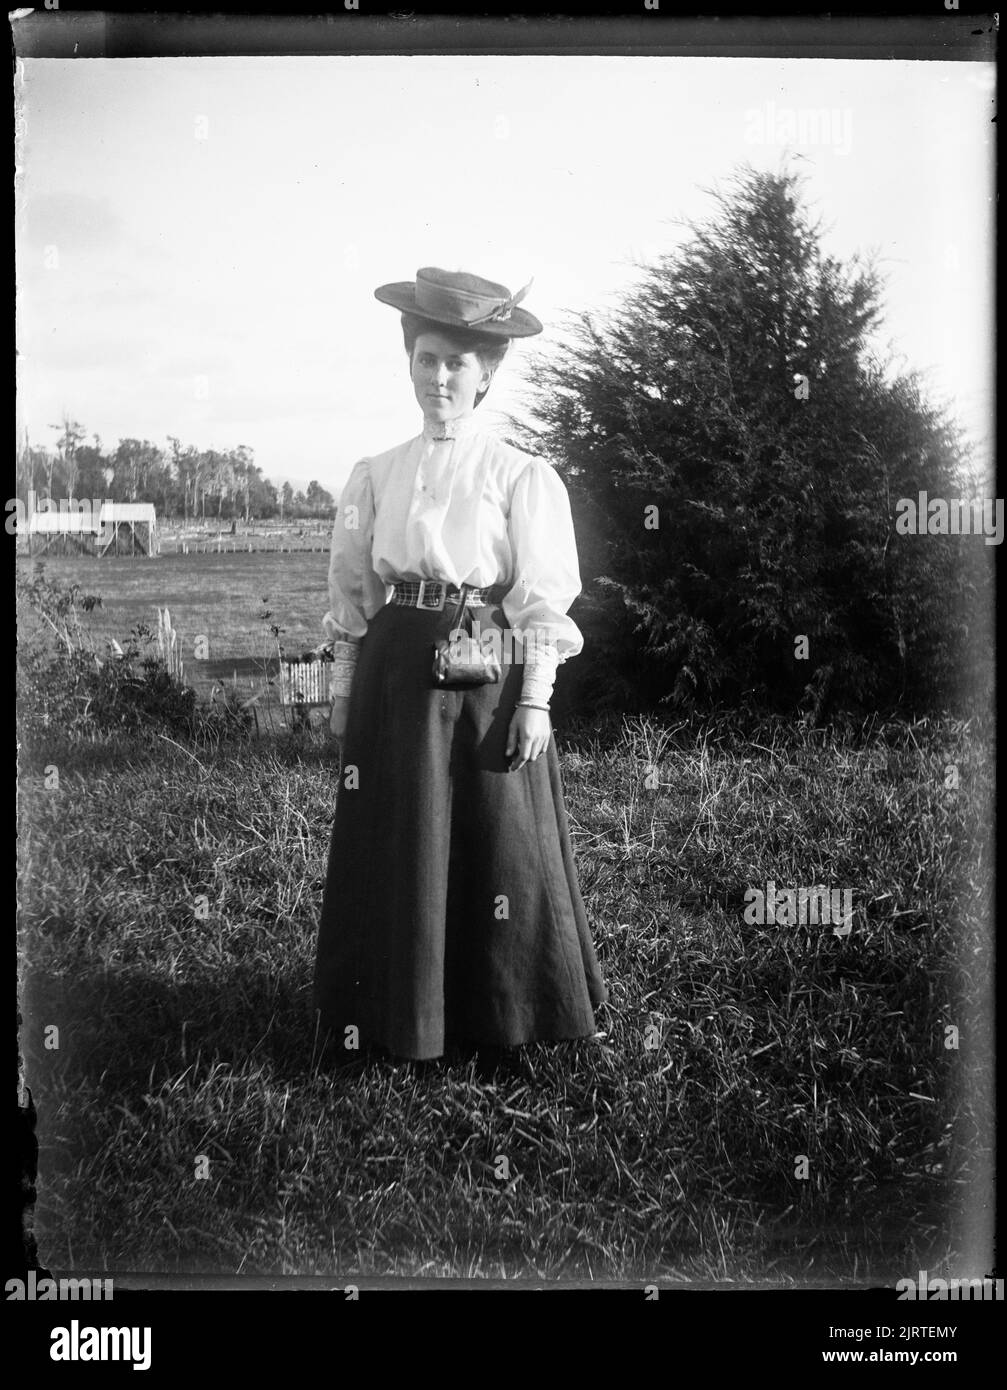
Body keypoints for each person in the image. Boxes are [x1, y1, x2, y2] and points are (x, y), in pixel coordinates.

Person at [313, 266, 606, 1063]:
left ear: (486, 376)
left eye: (456, 364)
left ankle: (503, 1012)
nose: (439, 378)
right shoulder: (374, 473)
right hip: (394, 668)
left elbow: (542, 598)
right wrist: (346, 689)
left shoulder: (519, 475)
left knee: (495, 832)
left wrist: (536, 700)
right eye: (426, 359)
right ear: (408, 362)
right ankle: (394, 1014)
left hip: (485, 665)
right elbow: (354, 590)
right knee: (398, 829)